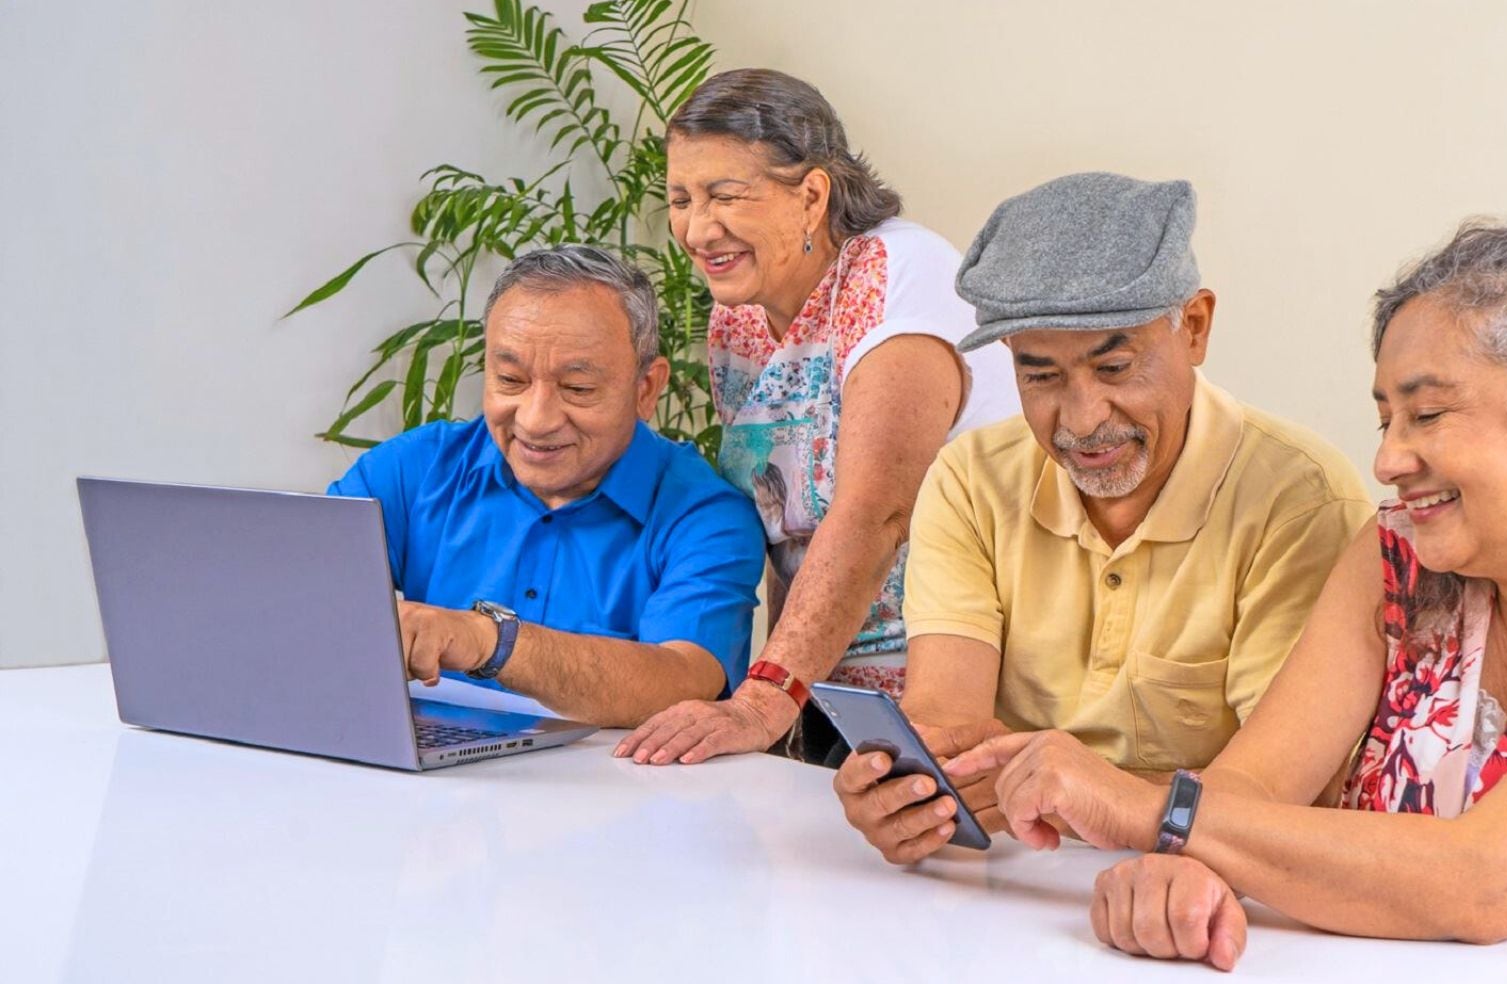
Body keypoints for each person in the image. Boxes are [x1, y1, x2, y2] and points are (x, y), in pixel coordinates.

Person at [946, 225, 1507, 978]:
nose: (1386, 459)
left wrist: (1154, 814)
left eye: (1428, 415)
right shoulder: (1396, 561)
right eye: (1386, 417)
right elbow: (1256, 785)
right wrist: (1186, 871)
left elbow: (1484, 881)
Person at [833, 172, 1373, 864]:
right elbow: (947, 727)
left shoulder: (1301, 500)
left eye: (1114, 367)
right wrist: (909, 793)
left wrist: (1093, 796)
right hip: (1016, 880)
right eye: (1042, 377)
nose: (1083, 420)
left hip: (1209, 893)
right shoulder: (971, 479)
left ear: (1195, 327)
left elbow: (1290, 793)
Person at [613, 69, 1019, 766]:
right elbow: (786, 530)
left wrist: (762, 702)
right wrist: (785, 717)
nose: (696, 229)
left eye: (725, 196)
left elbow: (874, 514)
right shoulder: (737, 319)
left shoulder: (897, 273)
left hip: (958, 698)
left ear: (811, 196)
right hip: (829, 693)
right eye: (680, 199)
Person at [327, 246, 764, 727]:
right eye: (510, 380)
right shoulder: (414, 469)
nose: (535, 421)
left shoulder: (705, 515)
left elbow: (685, 679)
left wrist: (489, 641)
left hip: (611, 775)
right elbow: (296, 591)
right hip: (423, 765)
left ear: (646, 389)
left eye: (577, 389)